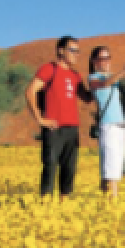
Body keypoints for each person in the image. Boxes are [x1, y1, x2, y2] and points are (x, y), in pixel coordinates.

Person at [25, 36, 84, 197]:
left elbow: (87, 97)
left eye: (78, 51)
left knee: (69, 170)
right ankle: (45, 207)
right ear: (60, 51)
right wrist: (39, 119)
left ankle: (62, 208)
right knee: (50, 167)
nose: (76, 54)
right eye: (72, 50)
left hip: (72, 128)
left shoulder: (75, 75)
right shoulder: (49, 69)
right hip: (54, 128)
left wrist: (103, 81)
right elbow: (30, 92)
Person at [87, 46, 125, 200]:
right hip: (108, 126)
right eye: (102, 58)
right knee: (110, 165)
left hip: (119, 125)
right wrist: (124, 71)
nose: (106, 62)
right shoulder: (94, 78)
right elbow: (106, 83)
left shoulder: (113, 77)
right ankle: (113, 202)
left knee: (114, 166)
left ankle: (104, 200)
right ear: (94, 61)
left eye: (108, 58)